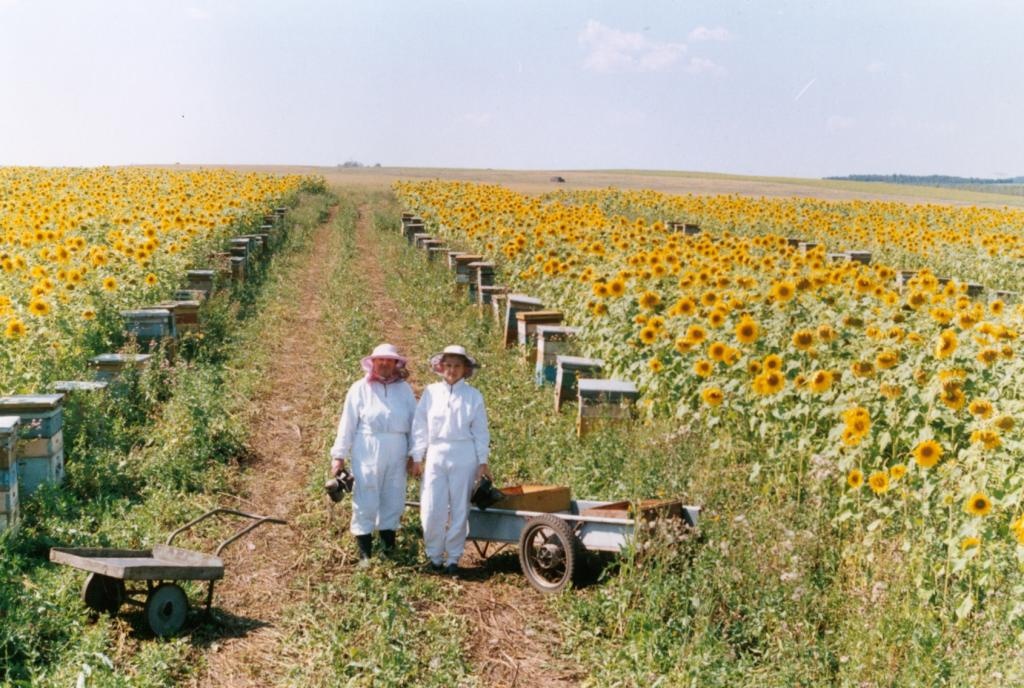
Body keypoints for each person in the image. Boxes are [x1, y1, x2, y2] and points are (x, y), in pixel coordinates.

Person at [330, 343, 417, 567]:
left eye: (389, 360)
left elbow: (415, 424)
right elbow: (347, 424)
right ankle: (365, 555)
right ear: (373, 362)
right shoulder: (359, 388)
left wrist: (414, 454)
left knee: (393, 498)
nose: (385, 364)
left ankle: (389, 551)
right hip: (367, 446)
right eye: (381, 360)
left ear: (396, 363)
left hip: (397, 447)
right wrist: (338, 455)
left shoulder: (404, 390)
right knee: (366, 499)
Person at [410, 345, 491, 576]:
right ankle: (434, 557)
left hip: (464, 454)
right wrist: (418, 456)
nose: (452, 370)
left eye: (457, 366)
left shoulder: (474, 396)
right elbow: (420, 426)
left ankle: (453, 558)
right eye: (448, 365)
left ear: (465, 369)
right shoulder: (431, 392)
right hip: (436, 452)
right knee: (431, 506)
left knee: (459, 508)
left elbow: (481, 431)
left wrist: (482, 462)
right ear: (441, 367)